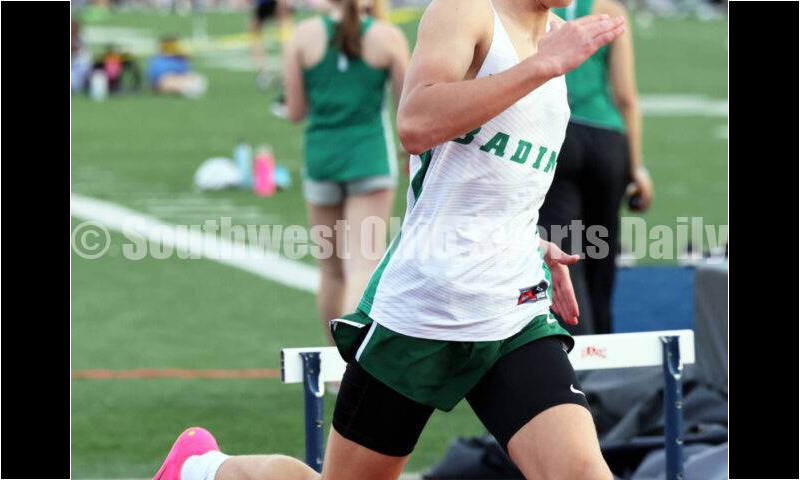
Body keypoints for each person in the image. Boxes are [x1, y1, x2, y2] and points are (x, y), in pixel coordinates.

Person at [152, 0, 625, 479]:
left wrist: (528, 241)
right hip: (425, 309)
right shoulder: (468, 12)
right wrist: (543, 65)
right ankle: (202, 469)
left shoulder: (561, 35)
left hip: (514, 308)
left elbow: (503, 173)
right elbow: (416, 123)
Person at [283, 0, 408, 345]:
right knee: (361, 267)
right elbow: (409, 108)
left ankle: (333, 361)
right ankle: (350, 362)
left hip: (322, 159)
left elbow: (295, 111)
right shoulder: (387, 36)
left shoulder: (303, 35)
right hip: (370, 159)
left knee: (331, 271)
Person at [538, 0, 653, 335]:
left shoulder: (537, 10)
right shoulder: (610, 10)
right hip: (607, 141)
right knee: (601, 253)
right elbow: (626, 97)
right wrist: (637, 168)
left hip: (558, 135)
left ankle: (576, 352)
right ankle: (605, 352)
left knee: (562, 251)